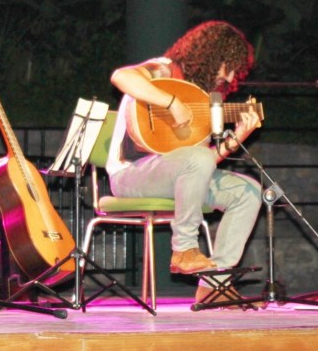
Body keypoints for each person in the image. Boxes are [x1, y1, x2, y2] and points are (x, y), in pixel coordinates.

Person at [106, 21, 263, 304]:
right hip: (131, 174)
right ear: (211, 54)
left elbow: (202, 164)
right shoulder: (166, 69)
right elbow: (122, 77)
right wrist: (170, 103)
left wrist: (238, 136)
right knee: (198, 158)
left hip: (176, 174)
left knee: (249, 191)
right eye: (227, 66)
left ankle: (215, 284)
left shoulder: (201, 101)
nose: (229, 78)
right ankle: (184, 249)